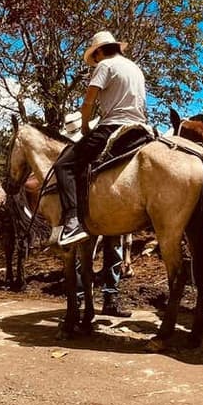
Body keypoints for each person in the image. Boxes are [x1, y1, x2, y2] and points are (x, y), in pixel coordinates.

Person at [55, 30, 147, 251]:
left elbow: (88, 103)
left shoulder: (105, 66)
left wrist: (86, 127)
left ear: (98, 52)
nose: (93, 62)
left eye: (93, 57)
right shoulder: (135, 68)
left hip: (113, 126)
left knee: (64, 166)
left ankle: (73, 222)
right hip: (141, 128)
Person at [61, 111, 132, 317]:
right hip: (103, 206)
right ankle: (97, 298)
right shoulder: (91, 153)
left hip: (99, 207)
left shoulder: (97, 152)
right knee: (103, 250)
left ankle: (100, 298)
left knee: (108, 249)